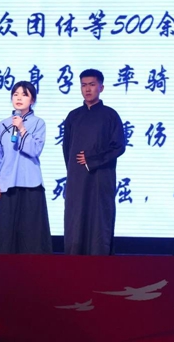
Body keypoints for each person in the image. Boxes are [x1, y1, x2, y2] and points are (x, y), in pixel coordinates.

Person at [0, 81, 52, 254]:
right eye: (15, 94)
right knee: (4, 236)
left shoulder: (38, 123)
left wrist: (22, 129)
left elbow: (34, 150)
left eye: (24, 94)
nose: (19, 98)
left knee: (31, 237)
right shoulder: (3, 125)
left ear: (32, 100)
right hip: (6, 185)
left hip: (31, 185)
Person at [63, 69, 125, 255]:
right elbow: (67, 149)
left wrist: (92, 160)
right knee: (75, 221)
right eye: (84, 85)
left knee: (99, 221)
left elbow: (118, 146)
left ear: (101, 87)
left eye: (92, 84)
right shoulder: (73, 116)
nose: (87, 89)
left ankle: (100, 266)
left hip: (101, 178)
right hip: (77, 179)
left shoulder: (110, 115)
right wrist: (74, 171)